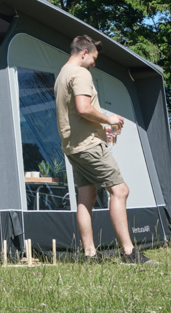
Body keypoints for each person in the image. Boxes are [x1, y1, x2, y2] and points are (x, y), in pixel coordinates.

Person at [54, 35, 154, 265]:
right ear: (84, 53)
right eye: (94, 58)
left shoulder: (62, 75)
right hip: (88, 145)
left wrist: (100, 126)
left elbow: (74, 113)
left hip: (72, 146)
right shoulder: (80, 73)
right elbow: (83, 107)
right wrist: (108, 120)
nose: (94, 64)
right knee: (120, 191)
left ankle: (90, 254)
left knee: (86, 195)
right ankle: (129, 253)